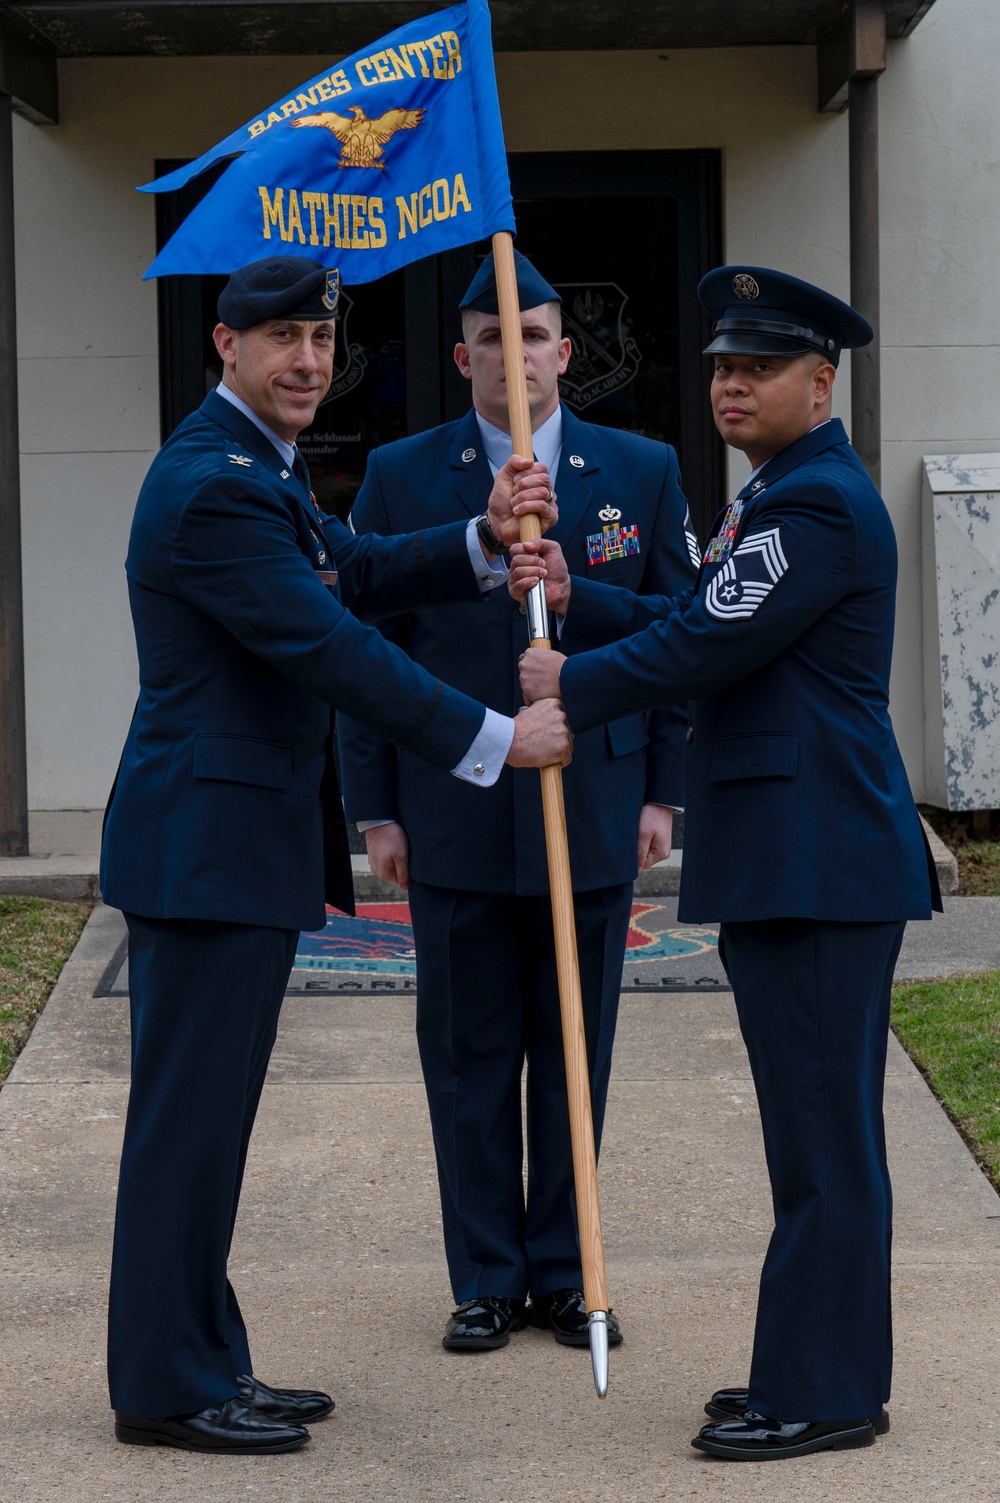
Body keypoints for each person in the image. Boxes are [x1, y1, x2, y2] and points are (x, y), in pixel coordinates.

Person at [100, 255, 571, 1455]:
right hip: (205, 848)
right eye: (282, 342)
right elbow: (331, 645)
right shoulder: (213, 486)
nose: (308, 362)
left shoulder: (259, 467)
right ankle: (164, 1386)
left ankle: (205, 1359)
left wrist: (474, 534)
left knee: (208, 1126)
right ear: (226, 346)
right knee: (186, 1129)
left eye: (320, 339)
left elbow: (353, 571)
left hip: (229, 847)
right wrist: (489, 738)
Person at [514, 265, 941, 1460]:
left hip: (818, 860)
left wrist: (571, 683)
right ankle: (807, 1368)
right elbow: (702, 608)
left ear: (822, 379)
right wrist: (577, 596)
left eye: (757, 367)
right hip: (797, 857)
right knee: (812, 1136)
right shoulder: (783, 496)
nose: (730, 384)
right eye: (718, 366)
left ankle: (824, 1394)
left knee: (821, 1142)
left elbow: (703, 642)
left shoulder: (813, 506)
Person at [337, 249, 695, 1353]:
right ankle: (486, 1277)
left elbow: (684, 636)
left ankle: (566, 1272)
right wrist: (376, 809)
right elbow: (361, 645)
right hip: (448, 811)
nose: (513, 354)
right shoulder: (402, 476)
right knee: (470, 1054)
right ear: (462, 358)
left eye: (531, 334)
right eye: (491, 337)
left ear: (564, 352)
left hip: (592, 799)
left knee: (573, 1055)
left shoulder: (637, 468)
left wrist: (664, 793)